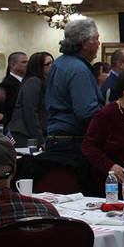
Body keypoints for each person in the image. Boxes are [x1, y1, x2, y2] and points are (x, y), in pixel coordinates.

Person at [44, 17, 104, 155]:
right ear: (84, 43)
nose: (98, 43)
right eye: (96, 39)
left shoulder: (59, 63)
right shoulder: (79, 70)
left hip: (56, 138)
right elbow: (86, 112)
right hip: (73, 143)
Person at [6, 51, 53, 147]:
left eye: (53, 62)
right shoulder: (34, 82)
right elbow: (30, 113)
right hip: (23, 135)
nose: (52, 66)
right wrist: (41, 140)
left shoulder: (46, 83)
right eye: (48, 64)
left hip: (33, 134)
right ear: (39, 67)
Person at [0, 51, 27, 126]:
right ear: (13, 65)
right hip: (14, 126)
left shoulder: (26, 82)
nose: (27, 65)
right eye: (24, 62)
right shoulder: (6, 84)